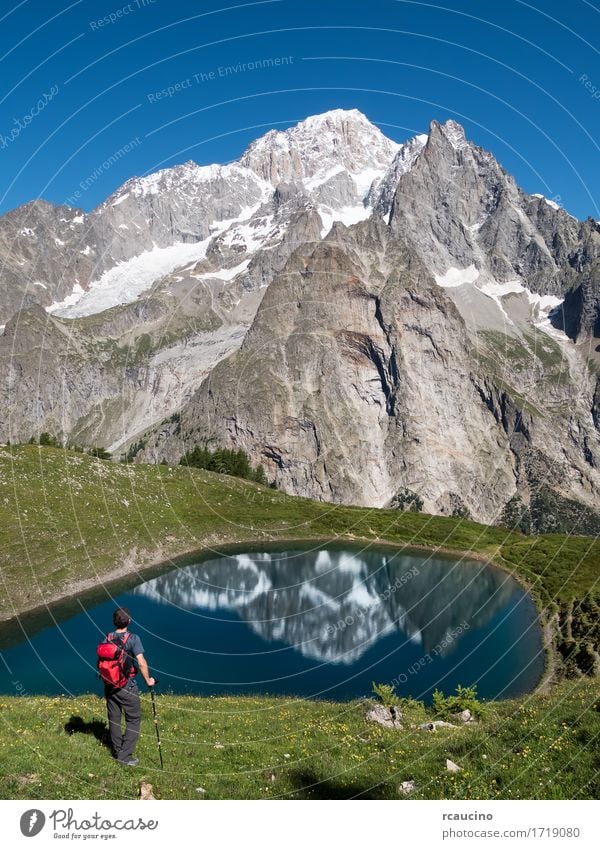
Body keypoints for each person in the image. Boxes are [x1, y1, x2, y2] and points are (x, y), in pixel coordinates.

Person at [104, 607, 155, 766]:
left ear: (114, 621)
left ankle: (118, 750)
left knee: (114, 718)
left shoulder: (108, 637)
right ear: (129, 621)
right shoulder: (133, 638)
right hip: (127, 685)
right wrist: (148, 680)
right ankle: (124, 757)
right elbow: (141, 662)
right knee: (133, 719)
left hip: (110, 685)